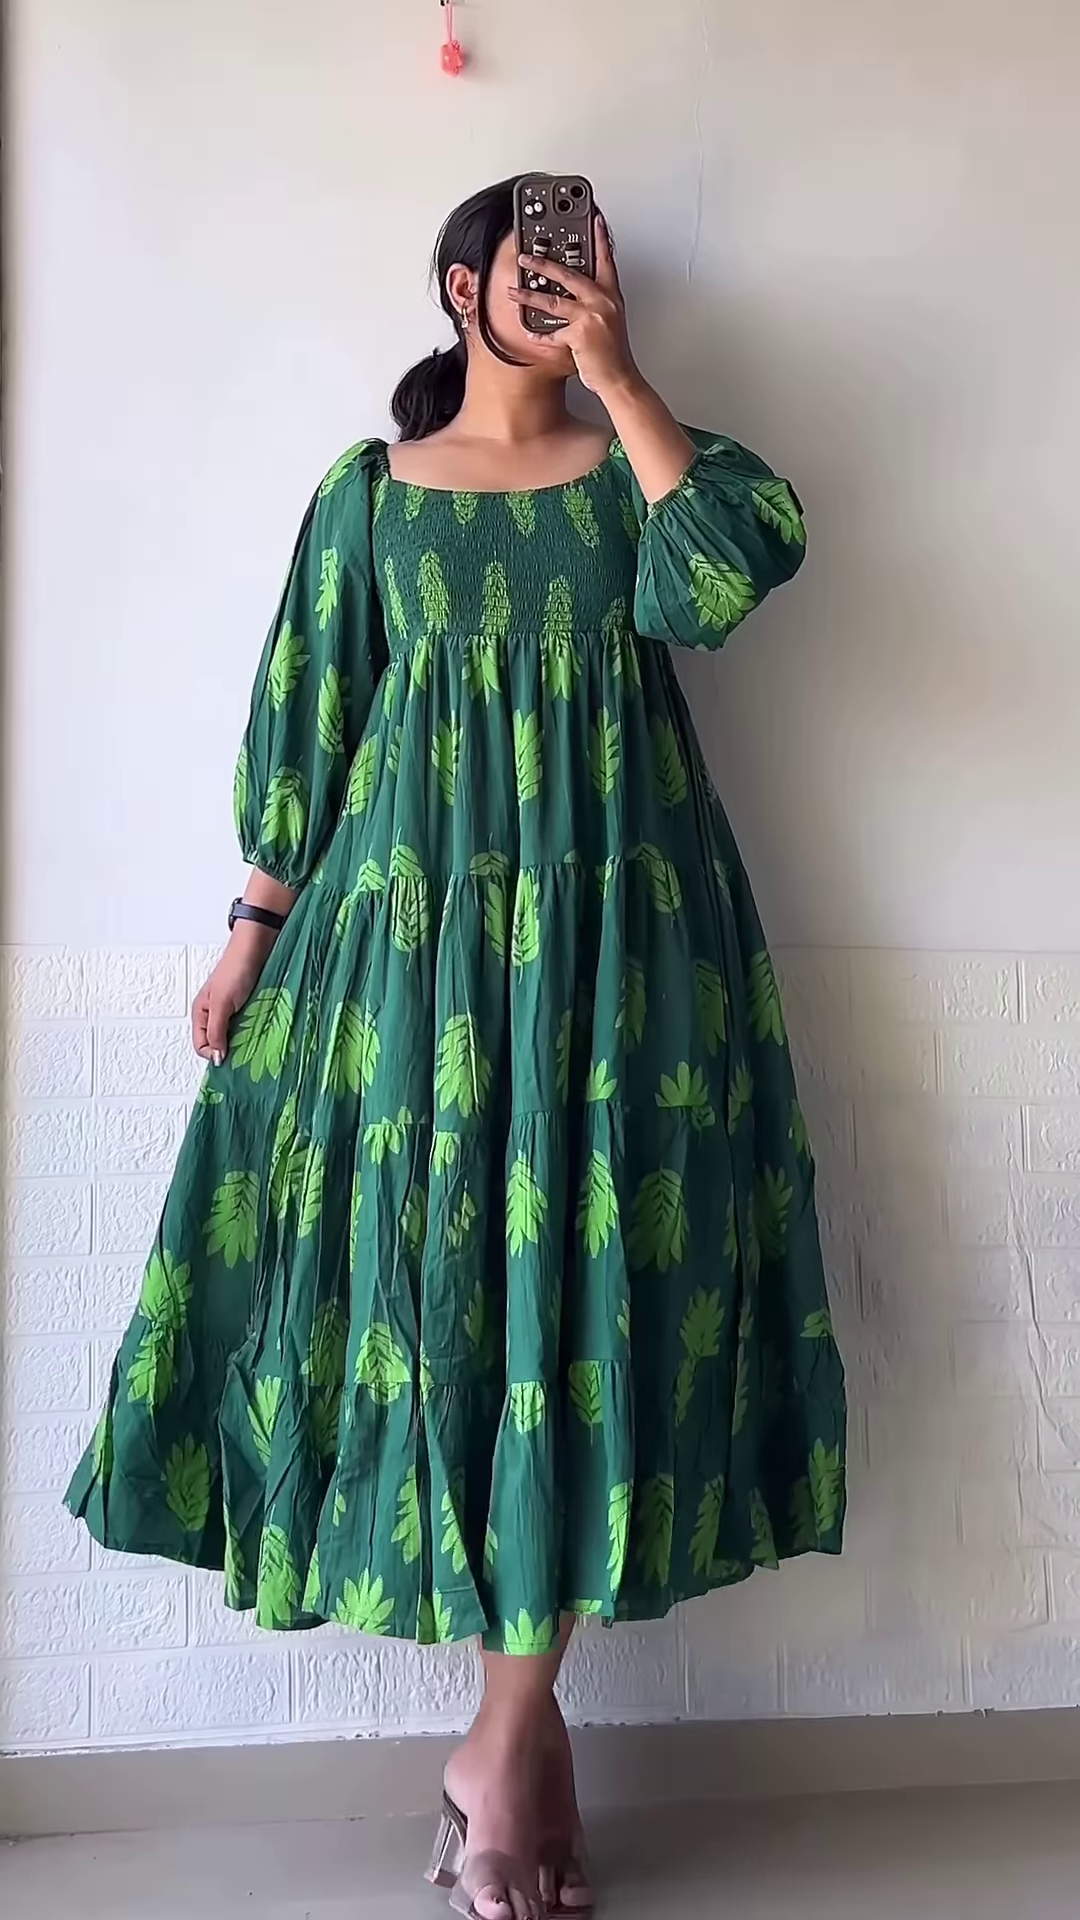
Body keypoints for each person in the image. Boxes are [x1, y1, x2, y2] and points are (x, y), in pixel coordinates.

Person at [65, 176, 846, 1920]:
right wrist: (254, 926)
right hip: (408, 976)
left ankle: (501, 1746)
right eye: (534, 260)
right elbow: (314, 718)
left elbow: (736, 572)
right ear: (460, 286)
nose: (563, 284)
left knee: (584, 1311)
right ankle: (521, 1749)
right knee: (449, 1315)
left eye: (588, 261)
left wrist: (626, 380)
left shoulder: (643, 474)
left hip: (620, 969)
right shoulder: (369, 498)